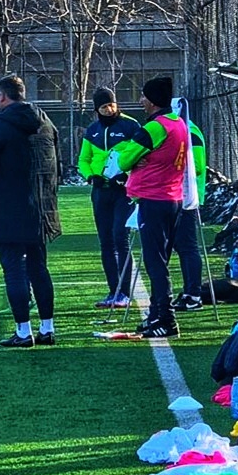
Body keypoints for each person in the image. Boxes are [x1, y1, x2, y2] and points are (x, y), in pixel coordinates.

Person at [0, 75, 62, 348]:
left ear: (2, 97)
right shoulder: (46, 122)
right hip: (41, 208)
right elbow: (57, 166)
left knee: (14, 270)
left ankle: (23, 331)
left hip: (8, 209)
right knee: (39, 268)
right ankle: (47, 328)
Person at [116, 76, 188, 339]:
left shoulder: (155, 127)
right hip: (172, 198)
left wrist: (137, 160)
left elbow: (124, 160)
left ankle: (166, 319)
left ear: (153, 100)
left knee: (155, 262)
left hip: (155, 199)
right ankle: (157, 314)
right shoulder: (178, 123)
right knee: (160, 260)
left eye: (144, 96)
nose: (141, 100)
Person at [78, 87, 141, 308]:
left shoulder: (131, 126)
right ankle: (113, 291)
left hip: (123, 191)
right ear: (97, 109)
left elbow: (141, 155)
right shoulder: (93, 130)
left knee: (120, 237)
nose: (109, 109)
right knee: (106, 241)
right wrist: (90, 176)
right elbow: (83, 160)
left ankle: (124, 292)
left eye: (111, 105)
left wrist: (126, 175)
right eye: (104, 106)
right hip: (100, 192)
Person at [173, 117, 207, 312]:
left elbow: (198, 166)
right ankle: (189, 291)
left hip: (187, 198)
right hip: (177, 196)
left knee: (188, 246)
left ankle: (194, 294)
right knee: (181, 245)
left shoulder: (190, 132)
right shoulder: (181, 129)